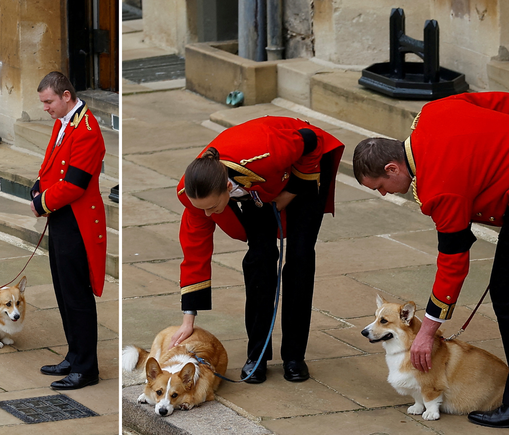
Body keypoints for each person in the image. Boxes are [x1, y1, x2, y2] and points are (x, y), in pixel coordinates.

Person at [353, 91, 509, 428]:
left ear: (392, 167)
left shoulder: (439, 188)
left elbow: (453, 263)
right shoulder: (433, 111)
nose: (384, 193)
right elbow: (501, 102)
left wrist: (426, 333)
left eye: (381, 185)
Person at [171, 116, 344, 383]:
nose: (205, 213)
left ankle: (294, 356)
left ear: (227, 187)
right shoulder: (195, 193)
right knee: (259, 259)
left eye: (211, 207)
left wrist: (291, 192)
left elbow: (311, 140)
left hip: (301, 171)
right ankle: (257, 356)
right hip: (258, 190)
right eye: (201, 207)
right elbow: (194, 253)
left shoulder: (265, 153)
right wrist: (188, 319)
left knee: (300, 258)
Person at [30, 71, 106, 390]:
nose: (45, 108)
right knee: (63, 290)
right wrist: (37, 188)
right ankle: (74, 355)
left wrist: (40, 202)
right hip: (61, 216)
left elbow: (75, 184)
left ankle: (87, 368)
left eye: (48, 102)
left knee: (77, 295)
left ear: (65, 96)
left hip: (77, 220)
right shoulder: (64, 122)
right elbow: (51, 168)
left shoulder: (87, 130)